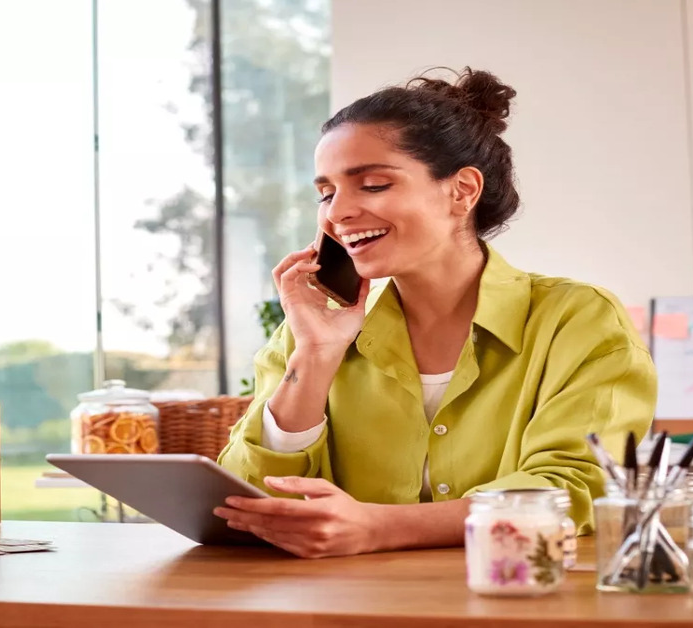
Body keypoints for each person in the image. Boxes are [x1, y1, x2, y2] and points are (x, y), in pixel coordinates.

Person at [215, 67, 656, 558]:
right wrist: (315, 356)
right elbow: (244, 502)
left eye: (374, 185)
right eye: (325, 193)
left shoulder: (579, 321)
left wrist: (380, 527)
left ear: (462, 191)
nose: (337, 213)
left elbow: (576, 488)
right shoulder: (313, 331)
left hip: (517, 600)